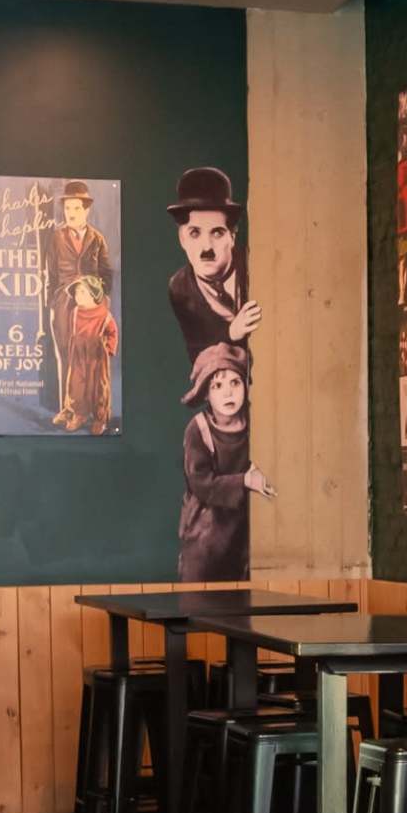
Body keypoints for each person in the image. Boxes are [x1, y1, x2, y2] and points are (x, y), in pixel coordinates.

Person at [178, 342, 268, 582]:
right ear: (206, 392)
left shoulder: (255, 423)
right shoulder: (198, 430)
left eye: (234, 383)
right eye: (218, 386)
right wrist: (245, 481)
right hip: (205, 537)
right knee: (200, 601)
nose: (228, 393)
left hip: (241, 538)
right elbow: (201, 483)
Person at [37, 182, 114, 429]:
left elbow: (107, 273)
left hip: (90, 308)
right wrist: (52, 304)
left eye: (76, 208)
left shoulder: (97, 238)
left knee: (91, 358)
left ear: (86, 210)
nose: (71, 212)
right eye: (67, 208)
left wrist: (99, 299)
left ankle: (93, 412)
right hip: (63, 303)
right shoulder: (56, 237)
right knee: (65, 355)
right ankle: (68, 408)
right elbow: (50, 274)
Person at [165, 165, 254, 367]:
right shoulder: (180, 289)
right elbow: (198, 353)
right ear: (182, 238)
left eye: (217, 233)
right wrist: (231, 333)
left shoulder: (254, 267)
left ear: (232, 236)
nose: (207, 248)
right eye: (195, 233)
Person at [57, 270, 117, 434]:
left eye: (82, 292)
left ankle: (100, 418)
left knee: (98, 386)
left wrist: (109, 349)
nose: (78, 295)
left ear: (93, 295)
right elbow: (73, 331)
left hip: (96, 355)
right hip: (78, 353)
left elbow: (112, 332)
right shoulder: (75, 312)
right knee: (76, 383)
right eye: (76, 292)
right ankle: (78, 413)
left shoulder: (104, 315)